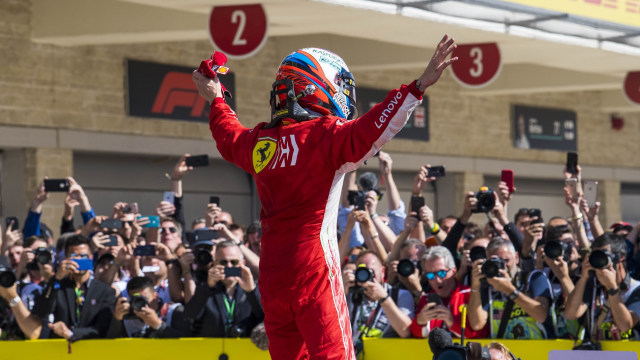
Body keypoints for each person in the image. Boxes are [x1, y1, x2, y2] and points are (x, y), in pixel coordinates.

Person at [192, 35, 457, 360]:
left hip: (273, 280)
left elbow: (227, 135)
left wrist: (216, 98)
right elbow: (375, 127)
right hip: (314, 273)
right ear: (316, 85)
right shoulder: (324, 136)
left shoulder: (260, 142)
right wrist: (417, 87)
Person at [32, 234, 116, 340]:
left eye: (83, 256)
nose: (78, 260)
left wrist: (71, 333)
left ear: (91, 257)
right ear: (66, 258)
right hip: (60, 351)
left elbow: (102, 328)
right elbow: (40, 312)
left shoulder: (105, 291)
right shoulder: (58, 286)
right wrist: (56, 278)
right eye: (74, 256)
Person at [468, 237, 553, 339]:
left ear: (516, 257)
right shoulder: (488, 286)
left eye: (506, 260)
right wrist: (475, 286)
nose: (502, 266)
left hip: (537, 350)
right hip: (503, 352)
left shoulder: (533, 278)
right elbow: (477, 324)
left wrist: (509, 290)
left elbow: (541, 315)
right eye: (495, 262)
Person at [564, 232, 640, 340]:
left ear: (621, 257)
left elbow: (625, 325)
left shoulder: (636, 289)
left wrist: (612, 288)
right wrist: (584, 278)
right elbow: (571, 314)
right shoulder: (594, 285)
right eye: (596, 255)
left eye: (604, 255)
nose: (600, 260)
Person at [183, 240, 263, 337]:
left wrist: (251, 291)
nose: (228, 266)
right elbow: (189, 317)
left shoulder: (252, 289)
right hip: (212, 349)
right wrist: (208, 287)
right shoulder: (206, 289)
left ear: (243, 263)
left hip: (244, 349)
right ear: (215, 264)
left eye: (234, 262)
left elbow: (265, 318)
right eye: (223, 262)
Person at [345, 251, 414, 357]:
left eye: (370, 271)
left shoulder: (400, 295)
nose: (366, 275)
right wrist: (340, 291)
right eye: (361, 271)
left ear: (382, 271)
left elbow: (406, 331)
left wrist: (384, 299)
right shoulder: (350, 294)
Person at [410, 246, 488, 339]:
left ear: (454, 271)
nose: (437, 280)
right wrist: (420, 322)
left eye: (442, 273)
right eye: (430, 275)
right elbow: (416, 334)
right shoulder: (426, 299)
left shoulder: (470, 294)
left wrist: (451, 323)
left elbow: (480, 334)